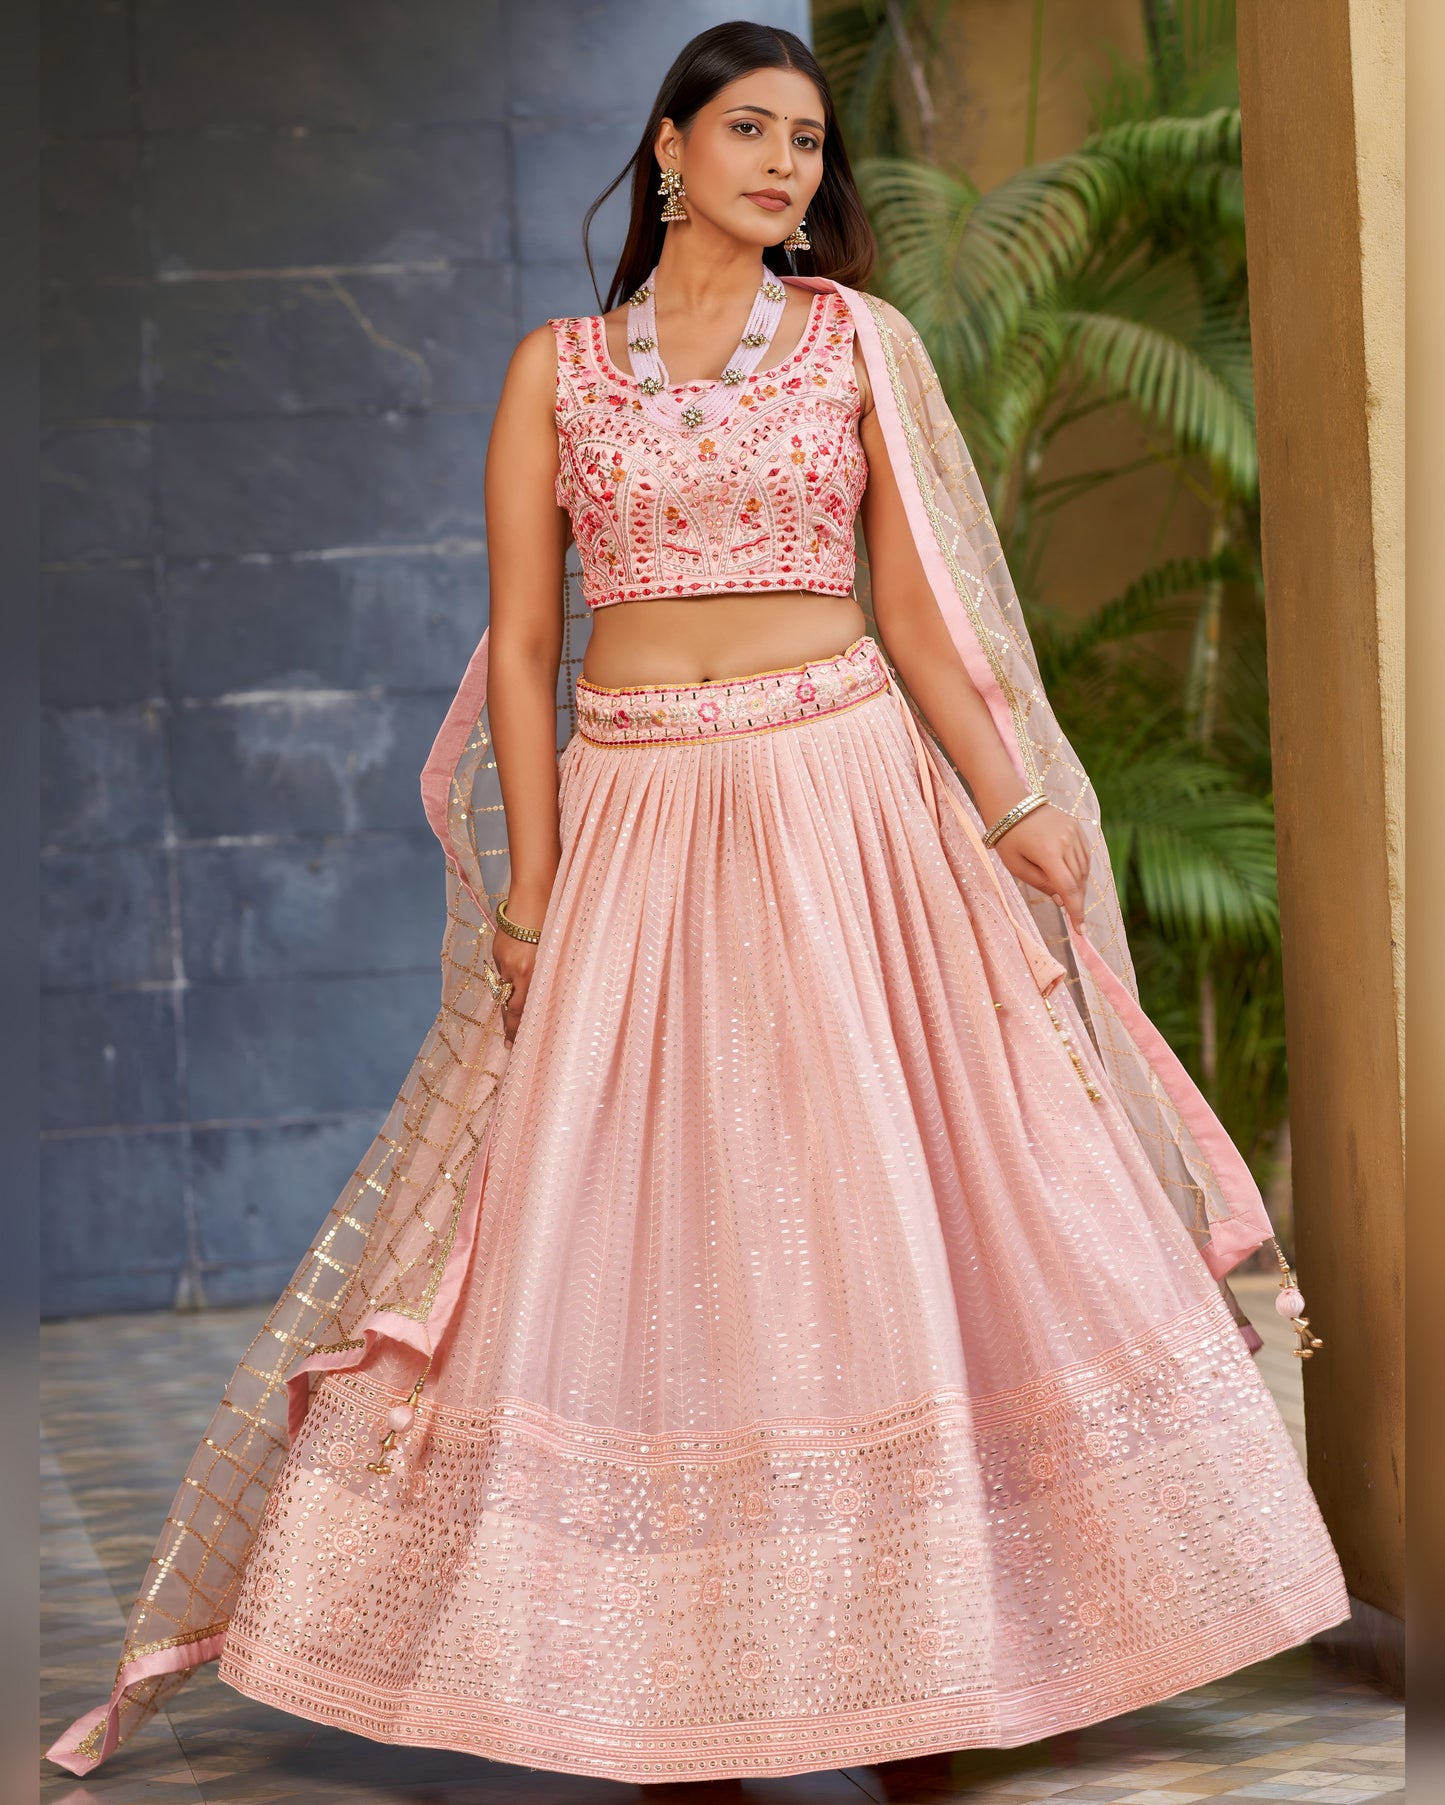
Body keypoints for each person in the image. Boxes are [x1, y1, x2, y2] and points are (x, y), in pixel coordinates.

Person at [49, 20, 1348, 1788]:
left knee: (880, 1210)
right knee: (646, 1234)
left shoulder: (857, 349)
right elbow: (521, 642)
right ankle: (672, 1690)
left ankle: (926, 1669)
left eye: (808, 142)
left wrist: (1015, 798)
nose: (784, 164)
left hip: (847, 807)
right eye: (749, 129)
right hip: (643, 814)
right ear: (667, 147)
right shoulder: (557, 373)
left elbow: (918, 615)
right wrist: (531, 884)